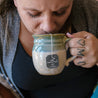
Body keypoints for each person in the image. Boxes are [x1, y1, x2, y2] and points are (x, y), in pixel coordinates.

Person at [0, 0, 98, 98]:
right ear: (15, 1)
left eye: (60, 12)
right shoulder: (3, 24)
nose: (48, 27)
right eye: (33, 14)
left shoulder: (91, 11)